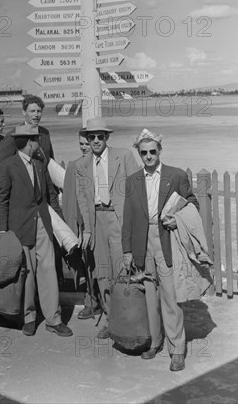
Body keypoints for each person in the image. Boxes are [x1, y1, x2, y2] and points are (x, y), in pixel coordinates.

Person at [121, 128, 199, 372]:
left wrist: (178, 220)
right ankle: (154, 342)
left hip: (165, 240)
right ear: (139, 153)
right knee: (149, 297)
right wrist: (127, 251)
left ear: (160, 151)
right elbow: (129, 217)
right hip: (142, 243)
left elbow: (192, 203)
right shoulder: (132, 181)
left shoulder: (176, 176)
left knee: (170, 296)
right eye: (143, 152)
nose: (148, 156)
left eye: (152, 151)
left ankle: (177, 350)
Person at [0, 124, 72, 337]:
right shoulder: (8, 166)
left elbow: (50, 194)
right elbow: (1, 200)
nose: (40, 143)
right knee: (26, 273)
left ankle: (53, 319)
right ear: (30, 143)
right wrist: (3, 232)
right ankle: (28, 317)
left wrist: (60, 222)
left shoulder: (40, 162)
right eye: (37, 140)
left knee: (48, 270)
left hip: (43, 223)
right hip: (19, 227)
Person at [76, 117, 139, 338]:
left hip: (118, 218)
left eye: (99, 136)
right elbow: (83, 201)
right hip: (96, 221)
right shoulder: (81, 165)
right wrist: (87, 229)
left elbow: (137, 189)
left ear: (106, 137)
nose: (95, 140)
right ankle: (111, 320)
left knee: (122, 268)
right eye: (90, 137)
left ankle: (128, 318)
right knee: (102, 271)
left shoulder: (124, 156)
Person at [62, 129, 101, 319]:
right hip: (81, 223)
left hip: (100, 221)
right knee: (86, 262)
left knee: (103, 263)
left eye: (87, 143)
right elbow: (69, 198)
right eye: (82, 144)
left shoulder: (101, 164)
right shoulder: (74, 166)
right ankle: (90, 300)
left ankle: (106, 300)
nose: (85, 147)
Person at [0, 95, 54, 170]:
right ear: (24, 112)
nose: (36, 115)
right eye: (32, 111)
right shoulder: (13, 136)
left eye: (39, 111)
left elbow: (50, 160)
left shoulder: (45, 133)